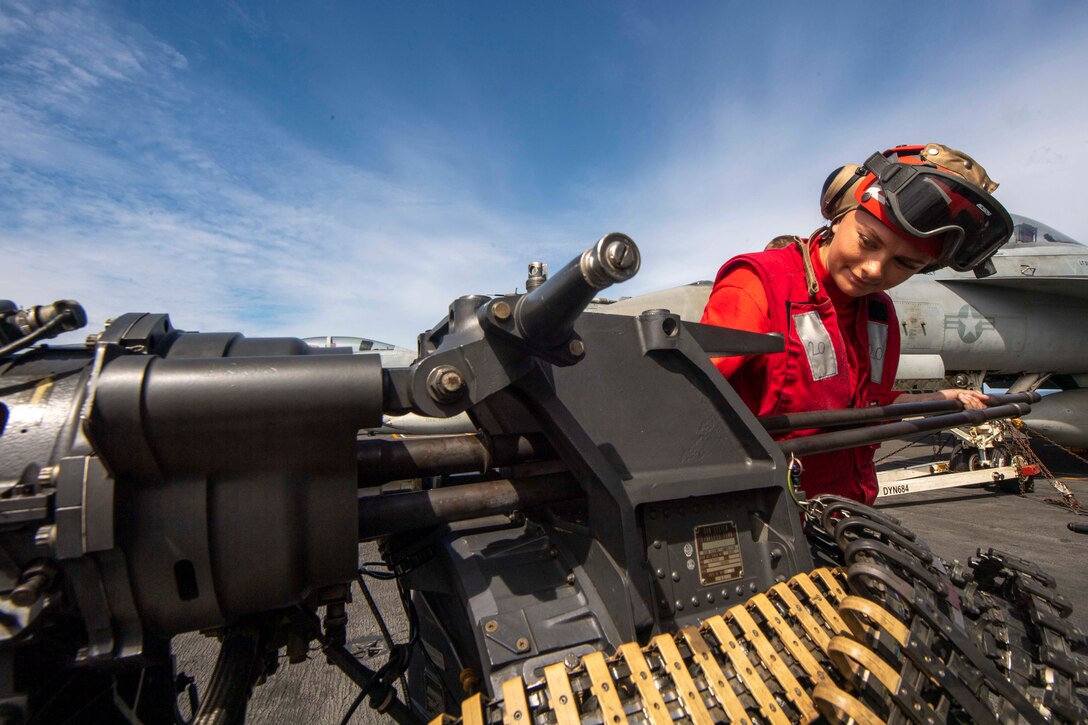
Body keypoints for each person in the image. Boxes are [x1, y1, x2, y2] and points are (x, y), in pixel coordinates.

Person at [701, 143, 1014, 504]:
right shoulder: (762, 284)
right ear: (838, 213)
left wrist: (934, 399)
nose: (874, 270)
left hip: (848, 513)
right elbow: (683, 404)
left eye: (904, 264)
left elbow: (867, 408)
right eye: (867, 241)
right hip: (767, 519)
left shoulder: (878, 313)